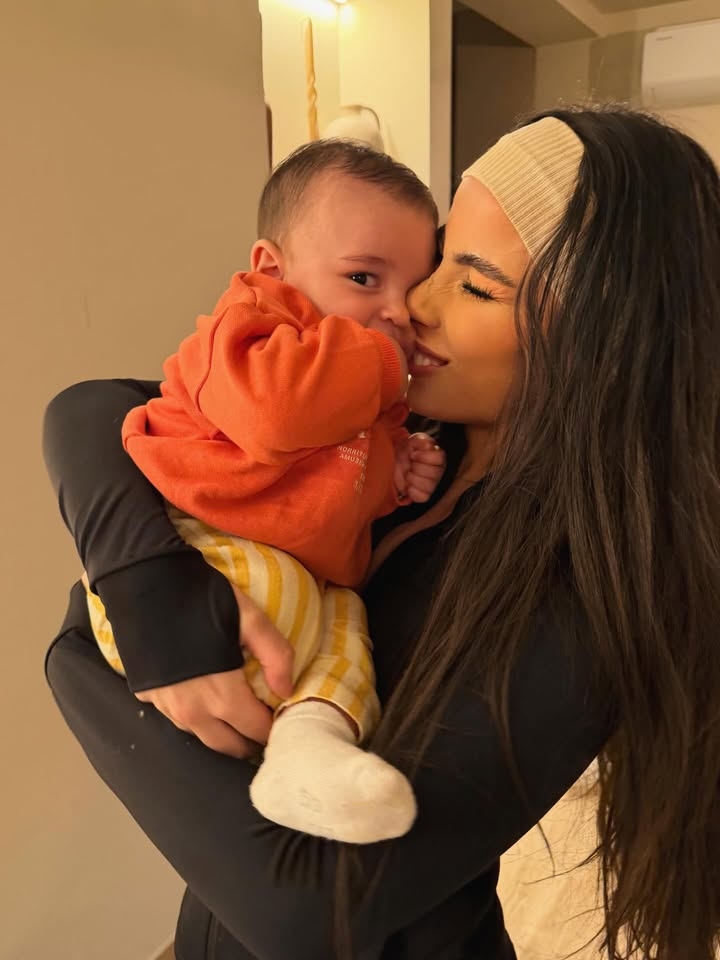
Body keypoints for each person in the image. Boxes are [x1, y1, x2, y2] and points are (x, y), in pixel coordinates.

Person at [43, 105, 720, 960]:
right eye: (435, 259)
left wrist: (80, 657)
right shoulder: (399, 436)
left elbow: (306, 908)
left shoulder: (593, 591)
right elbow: (96, 410)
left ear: (605, 344)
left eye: (472, 285)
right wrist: (142, 578)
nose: (410, 308)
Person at [85, 139, 444, 844]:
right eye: (365, 278)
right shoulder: (249, 331)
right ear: (272, 269)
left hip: (306, 585)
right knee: (297, 606)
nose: (397, 313)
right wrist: (383, 363)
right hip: (204, 545)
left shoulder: (356, 383)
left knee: (349, 637)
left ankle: (309, 747)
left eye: (415, 290)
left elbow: (338, 488)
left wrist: (396, 474)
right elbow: (277, 415)